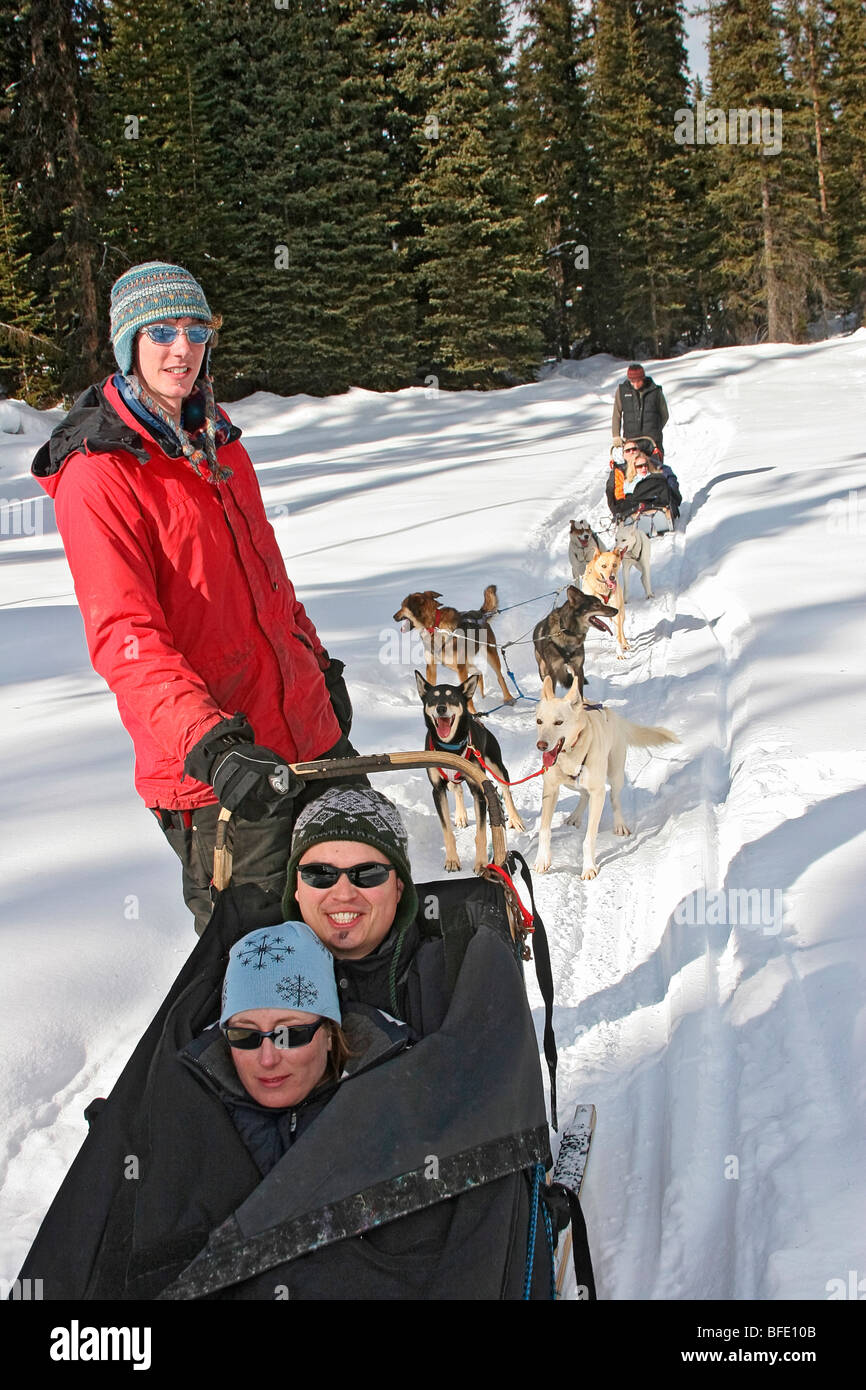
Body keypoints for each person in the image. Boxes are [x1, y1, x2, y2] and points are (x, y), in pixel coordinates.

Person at [17, 791, 580, 1299]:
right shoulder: (254, 963)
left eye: (366, 873)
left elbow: (473, 1094)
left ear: (400, 885)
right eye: (318, 874)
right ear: (294, 886)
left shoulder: (448, 966)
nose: (342, 892)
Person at [31, 262, 355, 934]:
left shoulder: (221, 445)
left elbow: (271, 582)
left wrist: (316, 669)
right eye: (161, 332)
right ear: (128, 345)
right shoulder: (99, 474)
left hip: (309, 737)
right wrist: (211, 743)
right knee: (267, 970)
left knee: (370, 917)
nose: (182, 348)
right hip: (221, 777)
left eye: (195, 329)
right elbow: (126, 638)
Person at [611, 362, 669, 454]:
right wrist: (616, 435)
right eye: (632, 382)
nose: (636, 385)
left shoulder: (655, 391)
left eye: (638, 381)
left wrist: (655, 429)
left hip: (653, 441)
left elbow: (665, 414)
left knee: (654, 467)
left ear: (643, 378)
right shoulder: (622, 391)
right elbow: (616, 414)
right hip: (631, 442)